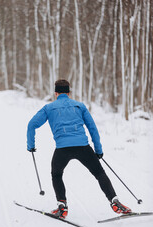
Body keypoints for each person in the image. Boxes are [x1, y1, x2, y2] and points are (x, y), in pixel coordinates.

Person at [27, 79, 131, 219]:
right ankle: (114, 201)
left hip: (62, 149)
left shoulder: (49, 108)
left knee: (56, 174)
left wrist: (31, 145)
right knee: (99, 173)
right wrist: (98, 150)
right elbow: (92, 128)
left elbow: (31, 124)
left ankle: (62, 206)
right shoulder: (80, 106)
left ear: (56, 93)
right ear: (69, 92)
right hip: (83, 147)